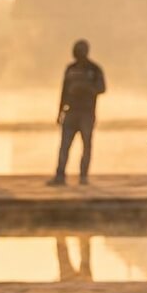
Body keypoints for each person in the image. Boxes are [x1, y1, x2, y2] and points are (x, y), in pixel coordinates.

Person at [49, 39, 105, 186]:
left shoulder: (94, 69)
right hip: (71, 112)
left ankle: (83, 176)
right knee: (64, 145)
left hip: (86, 113)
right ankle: (60, 175)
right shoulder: (70, 69)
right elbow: (63, 92)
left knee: (86, 146)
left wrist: (85, 88)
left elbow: (102, 88)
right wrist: (60, 111)